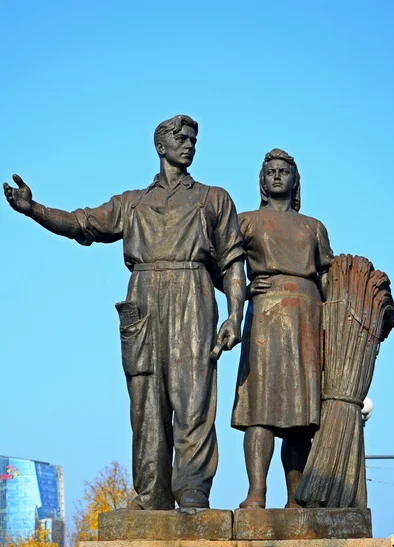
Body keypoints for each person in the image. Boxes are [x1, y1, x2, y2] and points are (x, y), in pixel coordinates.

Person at [4, 115, 246, 510]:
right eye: (180, 138)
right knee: (145, 400)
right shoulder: (133, 203)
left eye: (193, 140)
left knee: (194, 396)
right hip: (144, 296)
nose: (189, 145)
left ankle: (192, 488)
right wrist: (34, 209)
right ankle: (151, 491)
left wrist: (234, 315)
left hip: (194, 292)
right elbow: (82, 223)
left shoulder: (213, 198)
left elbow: (234, 263)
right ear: (160, 146)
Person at [231, 149, 333, 508]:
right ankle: (256, 493)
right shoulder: (245, 221)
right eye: (270, 171)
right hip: (266, 317)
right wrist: (242, 291)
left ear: (294, 180)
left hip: (307, 317)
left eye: (284, 171)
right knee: (260, 409)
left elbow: (328, 277)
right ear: (262, 180)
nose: (277, 176)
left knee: (300, 418)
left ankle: (297, 498)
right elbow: (220, 264)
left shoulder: (313, 227)